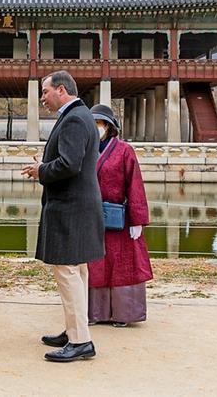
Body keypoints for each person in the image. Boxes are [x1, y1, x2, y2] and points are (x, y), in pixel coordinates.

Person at [22, 70, 105, 363]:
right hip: (79, 204)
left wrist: (41, 170)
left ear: (61, 90)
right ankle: (75, 331)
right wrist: (45, 165)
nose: (42, 98)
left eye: (45, 92)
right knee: (77, 271)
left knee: (68, 272)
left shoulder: (73, 119)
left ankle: (81, 340)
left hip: (71, 206)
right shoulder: (80, 116)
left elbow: (69, 164)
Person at [87, 104, 153, 326]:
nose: (97, 127)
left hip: (120, 217)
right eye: (93, 123)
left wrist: (138, 220)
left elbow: (135, 184)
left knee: (122, 264)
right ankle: (95, 313)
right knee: (95, 265)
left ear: (108, 126)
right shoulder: (85, 148)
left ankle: (124, 314)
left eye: (99, 123)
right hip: (91, 217)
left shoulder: (125, 150)